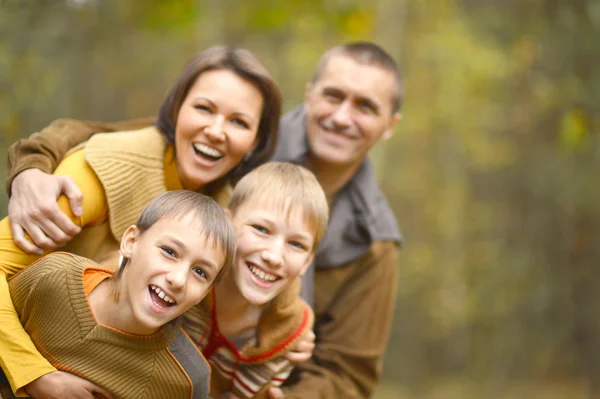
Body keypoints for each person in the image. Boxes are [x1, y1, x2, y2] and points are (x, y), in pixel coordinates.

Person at [5, 41, 403, 398]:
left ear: (391, 125)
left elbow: (347, 369)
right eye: (333, 95)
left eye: (366, 106)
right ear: (310, 95)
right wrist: (30, 165)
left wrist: (295, 326)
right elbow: (104, 139)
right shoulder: (237, 141)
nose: (342, 117)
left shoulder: (373, 237)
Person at [0, 44, 284, 398]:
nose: (216, 131)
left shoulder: (227, 216)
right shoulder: (105, 168)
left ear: (256, 141)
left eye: (238, 122)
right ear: (178, 110)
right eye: (203, 108)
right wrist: (35, 375)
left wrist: (290, 334)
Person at [0, 190, 236, 399]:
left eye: (200, 272)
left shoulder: (187, 378)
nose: (178, 279)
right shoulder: (54, 278)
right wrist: (36, 378)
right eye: (169, 251)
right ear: (131, 242)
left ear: (206, 292)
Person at [184, 162, 328, 399]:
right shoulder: (182, 270)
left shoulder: (290, 335)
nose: (273, 256)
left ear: (307, 262)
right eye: (261, 229)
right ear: (227, 224)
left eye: (296, 244)